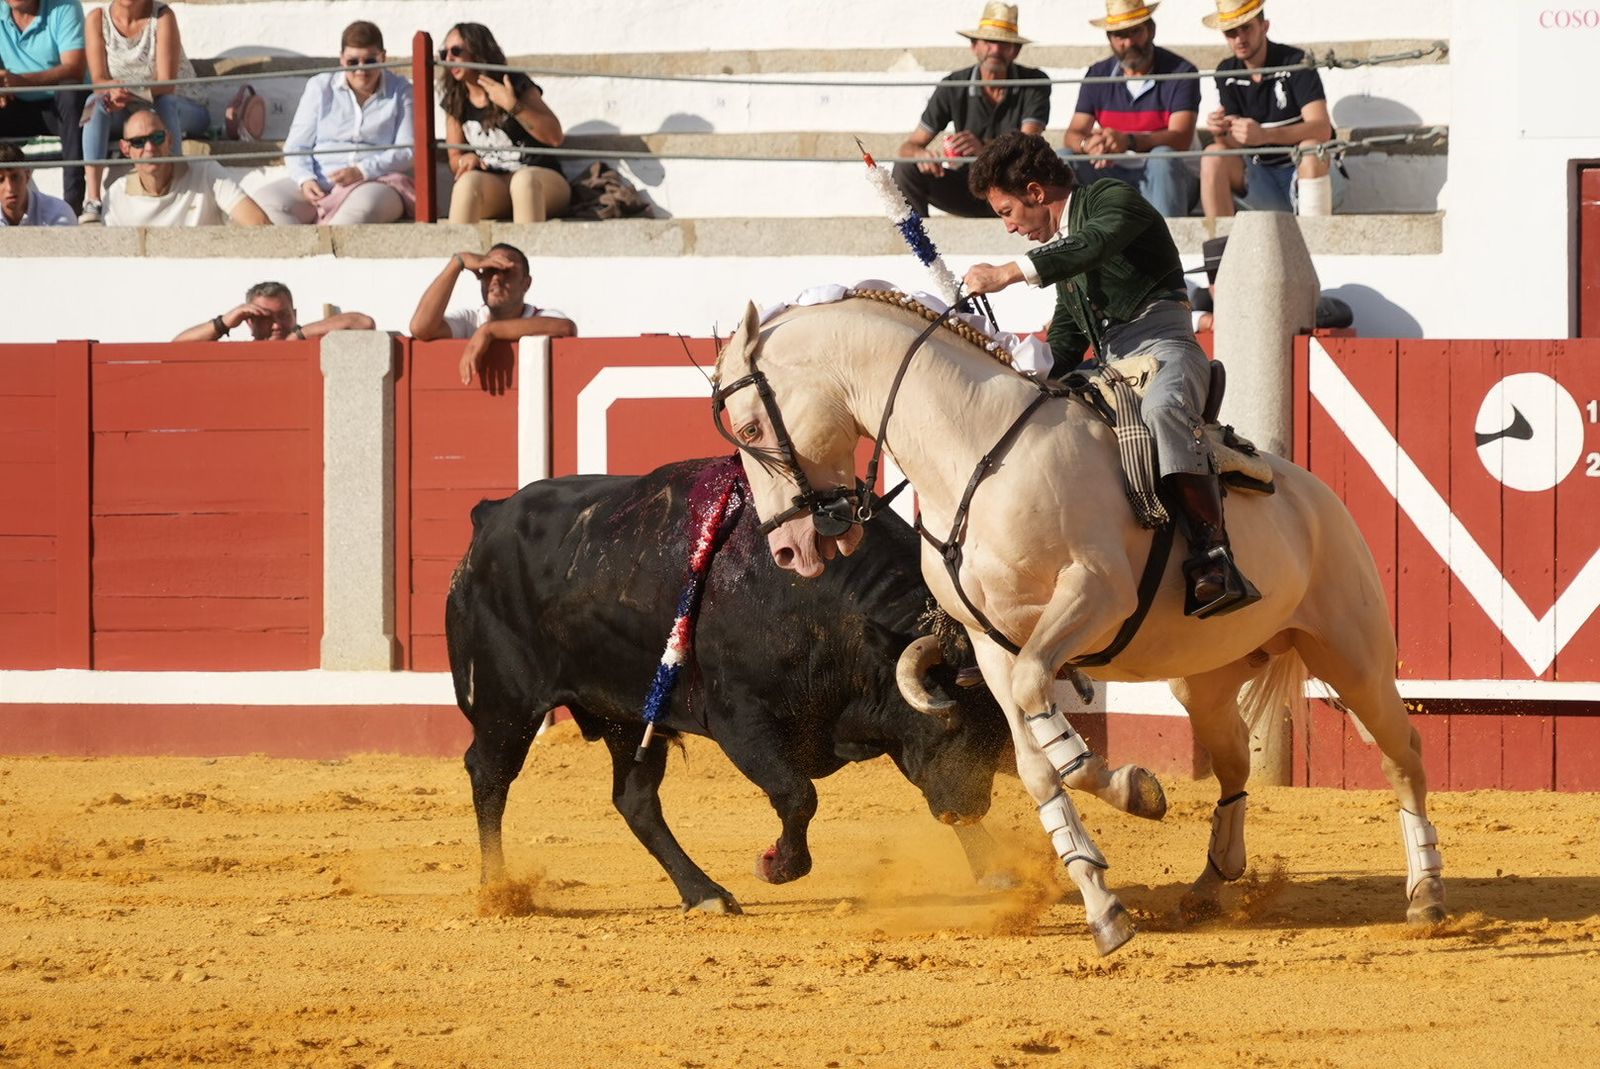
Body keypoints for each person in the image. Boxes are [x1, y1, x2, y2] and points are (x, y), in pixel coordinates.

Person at [960, 131, 1258, 617]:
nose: (1010, 229)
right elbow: (1063, 345)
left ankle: (1213, 555)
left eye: (1007, 213)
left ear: (1036, 193)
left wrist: (1008, 273)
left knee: (1163, 409)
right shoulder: (1070, 260)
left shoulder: (1111, 199)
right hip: (1110, 368)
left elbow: (1093, 245)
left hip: (1165, 348)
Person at [248, 20, 415, 226]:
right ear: (342, 60)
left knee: (355, 216)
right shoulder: (320, 87)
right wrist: (305, 179)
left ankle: (324, 256)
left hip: (375, 181)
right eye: (353, 62)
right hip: (321, 180)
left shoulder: (401, 90)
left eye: (370, 61)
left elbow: (408, 150)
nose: (361, 69)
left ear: (383, 57)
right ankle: (303, 257)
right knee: (264, 202)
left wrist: (362, 171)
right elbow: (296, 146)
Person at [892, 1, 1049, 219]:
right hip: (969, 188)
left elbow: (1029, 143)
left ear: (1016, 50)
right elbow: (909, 146)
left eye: (1003, 43)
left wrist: (984, 150)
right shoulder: (953, 85)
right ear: (974, 46)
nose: (995, 50)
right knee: (905, 168)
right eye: (989, 42)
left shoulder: (1035, 81)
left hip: (1016, 187)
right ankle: (919, 244)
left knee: (1054, 168)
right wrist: (922, 155)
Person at [1198, 0, 1341, 217]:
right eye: (1230, 32)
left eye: (1246, 27)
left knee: (1311, 150)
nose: (1239, 38)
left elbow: (1322, 129)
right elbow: (1235, 143)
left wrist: (1264, 135)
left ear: (1264, 26)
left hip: (1307, 171)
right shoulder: (1226, 71)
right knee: (1212, 155)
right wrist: (1220, 133)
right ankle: (1220, 249)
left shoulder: (1296, 61)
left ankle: (1317, 243)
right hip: (1261, 177)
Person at [1065, 0, 1199, 218]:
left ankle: (1169, 247)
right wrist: (1088, 145)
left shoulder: (1182, 71)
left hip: (1171, 179)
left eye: (1135, 31)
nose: (1128, 42)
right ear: (1109, 39)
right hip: (1113, 175)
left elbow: (1181, 138)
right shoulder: (1097, 74)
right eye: (1120, 35)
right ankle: (1074, 246)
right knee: (1064, 159)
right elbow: (1073, 134)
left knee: (1162, 158)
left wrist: (1129, 141)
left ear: (1151, 30)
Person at [78, 0, 208, 224]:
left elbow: (166, 84)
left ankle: (175, 184)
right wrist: (111, 91)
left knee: (165, 103)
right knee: (93, 102)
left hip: (182, 105)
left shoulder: (163, 17)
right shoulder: (97, 19)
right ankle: (92, 198)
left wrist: (128, 91)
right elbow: (98, 79)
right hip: (132, 112)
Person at [436, 22, 567, 224]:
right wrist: (465, 159)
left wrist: (512, 105)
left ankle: (527, 253)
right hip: (496, 183)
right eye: (444, 53)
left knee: (523, 181)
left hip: (541, 180)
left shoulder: (513, 83)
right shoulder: (456, 98)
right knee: (467, 183)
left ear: (477, 50)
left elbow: (555, 137)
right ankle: (459, 255)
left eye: (456, 51)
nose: (449, 59)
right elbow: (455, 155)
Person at [409, 244, 576, 388]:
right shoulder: (471, 320)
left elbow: (565, 327)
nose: (496, 278)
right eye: (490, 271)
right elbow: (421, 328)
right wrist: (457, 262)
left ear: (526, 283)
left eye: (507, 271)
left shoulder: (541, 316)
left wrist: (489, 331)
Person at [101, 109, 268, 226]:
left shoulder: (206, 172)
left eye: (157, 137)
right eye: (138, 142)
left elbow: (259, 224)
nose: (150, 148)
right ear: (125, 148)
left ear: (170, 140)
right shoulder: (116, 196)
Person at [0, 0, 89, 213]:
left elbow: (74, 68)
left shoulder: (65, 6)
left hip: (62, 109)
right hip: (17, 104)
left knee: (70, 91)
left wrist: (22, 81)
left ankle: (73, 205)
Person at [1185, 234, 1354, 333]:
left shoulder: (1272, 298)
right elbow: (1172, 319)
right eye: (1213, 280)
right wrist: (1204, 320)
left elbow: (1342, 313)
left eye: (1225, 277)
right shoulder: (1202, 300)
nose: (1218, 288)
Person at [172, 280, 374, 342]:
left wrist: (299, 335)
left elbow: (363, 323)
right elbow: (177, 348)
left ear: (295, 314)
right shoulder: (238, 354)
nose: (276, 325)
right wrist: (223, 322)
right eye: (265, 318)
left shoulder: (313, 341)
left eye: (283, 315)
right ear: (249, 321)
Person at [0, 139, 75, 223]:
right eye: (0, 180)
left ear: (27, 175)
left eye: (15, 177)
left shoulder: (58, 214)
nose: (10, 188)